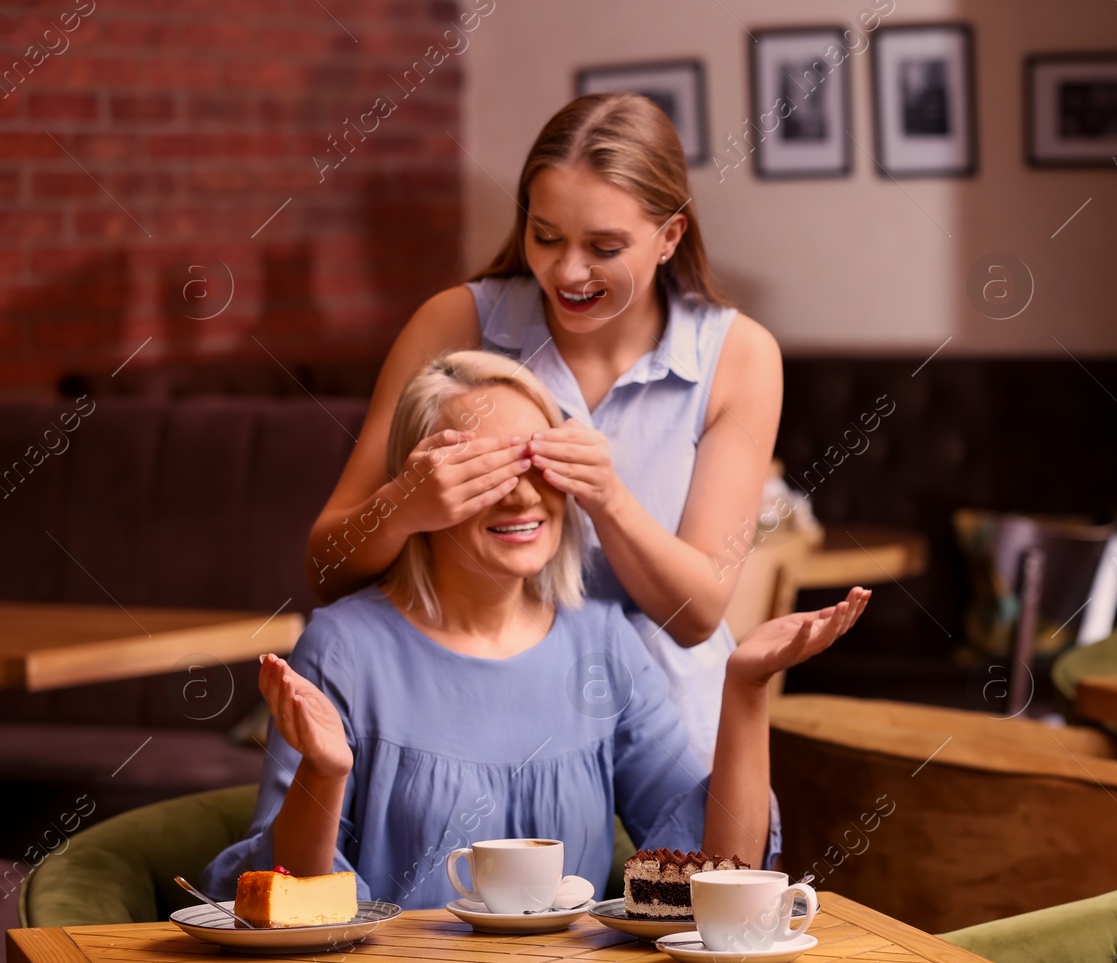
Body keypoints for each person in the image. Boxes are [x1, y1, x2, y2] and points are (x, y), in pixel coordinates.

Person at [205, 352, 865, 908]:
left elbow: (715, 878)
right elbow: (282, 897)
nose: (521, 496)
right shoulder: (344, 647)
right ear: (423, 485)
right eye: (485, 473)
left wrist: (746, 688)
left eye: (536, 464)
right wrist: (324, 772)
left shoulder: (604, 645)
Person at [306, 93, 783, 766]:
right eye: (546, 235)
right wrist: (403, 506)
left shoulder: (739, 356)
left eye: (604, 246)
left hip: (669, 732)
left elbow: (697, 614)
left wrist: (610, 500)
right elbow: (326, 566)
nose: (567, 271)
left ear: (670, 236)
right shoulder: (456, 323)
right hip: (477, 723)